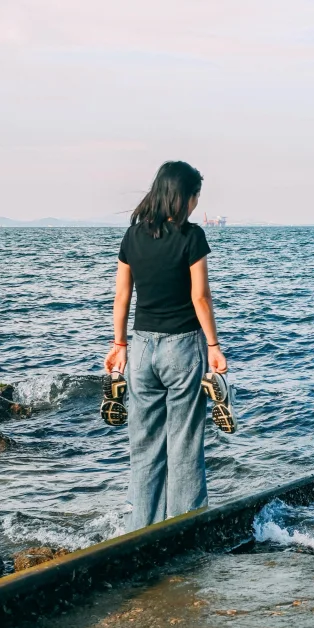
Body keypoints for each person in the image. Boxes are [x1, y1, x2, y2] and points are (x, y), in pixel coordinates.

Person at [104, 160, 228, 529]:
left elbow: (122, 296)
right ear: (184, 197)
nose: (195, 204)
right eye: (195, 196)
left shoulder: (133, 236)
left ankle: (141, 529)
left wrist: (119, 343)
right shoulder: (191, 238)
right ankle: (184, 527)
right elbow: (200, 297)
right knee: (185, 444)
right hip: (182, 348)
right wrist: (214, 345)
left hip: (140, 349)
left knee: (144, 444)